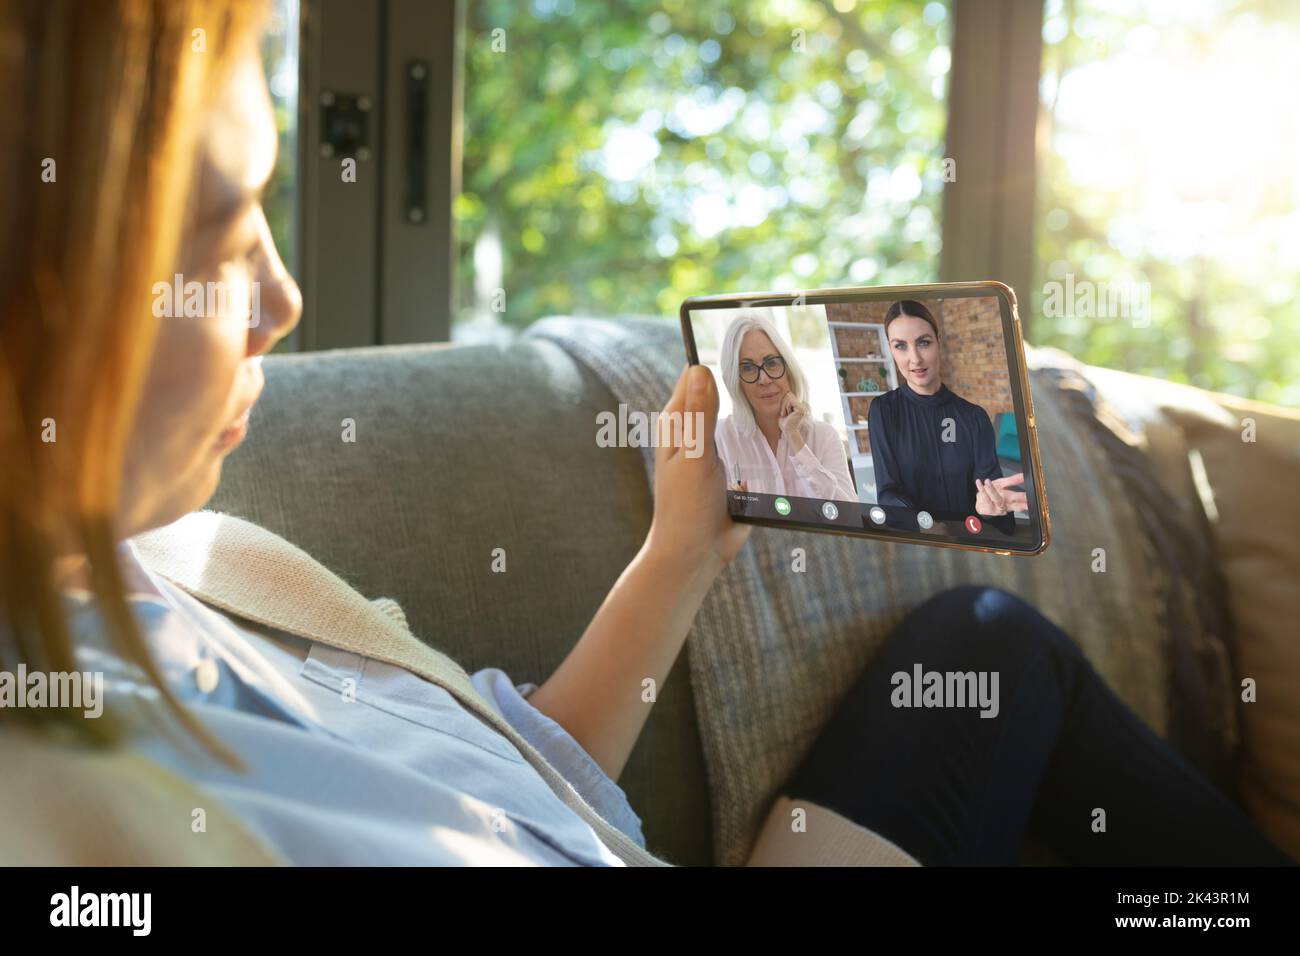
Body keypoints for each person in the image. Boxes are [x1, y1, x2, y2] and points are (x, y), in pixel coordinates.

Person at [1, 0, 1292, 868]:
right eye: (223, 239)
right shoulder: (68, 810)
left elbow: (522, 775)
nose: (283, 301)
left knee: (988, 649)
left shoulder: (181, 566)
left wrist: (682, 549)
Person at [868, 300, 1026, 521]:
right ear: (891, 350)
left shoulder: (974, 417)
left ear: (938, 342)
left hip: (972, 540)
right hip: (919, 542)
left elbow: (992, 500)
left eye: (923, 343)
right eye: (900, 346)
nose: (915, 359)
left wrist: (991, 510)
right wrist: (930, 527)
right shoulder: (883, 410)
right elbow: (887, 494)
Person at [713, 313, 857, 502]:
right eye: (747, 368)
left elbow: (849, 518)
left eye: (771, 363)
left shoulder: (824, 436)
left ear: (788, 369)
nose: (764, 379)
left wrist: (794, 438)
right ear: (735, 380)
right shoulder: (721, 436)